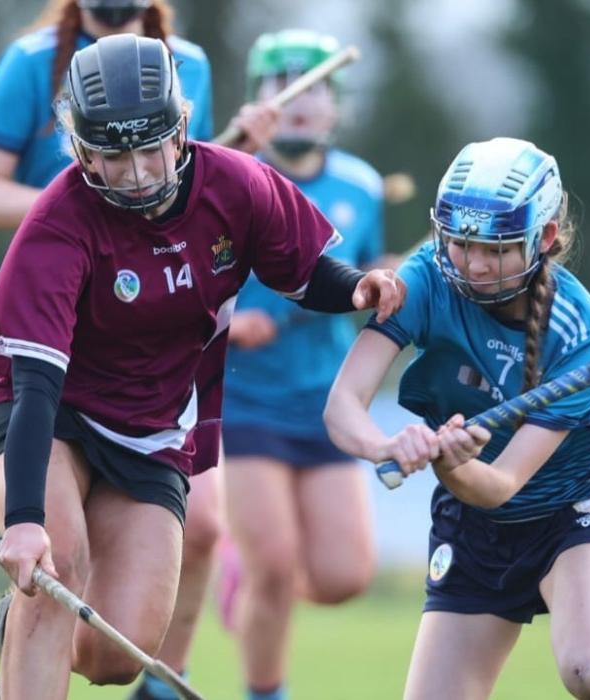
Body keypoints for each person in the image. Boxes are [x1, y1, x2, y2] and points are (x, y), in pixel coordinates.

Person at [0, 34, 404, 700]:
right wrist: (25, 520)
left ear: (180, 130)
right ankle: (29, 628)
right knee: (57, 569)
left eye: (151, 149)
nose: (138, 173)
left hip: (150, 431)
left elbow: (302, 272)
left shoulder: (238, 184)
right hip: (47, 415)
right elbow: (35, 386)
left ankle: (17, 627)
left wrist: (356, 288)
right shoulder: (56, 225)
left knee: (117, 657)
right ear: (82, 153)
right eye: (114, 156)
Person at [0, 6, 279, 696]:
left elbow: (189, 193)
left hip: (156, 359)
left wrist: (224, 154)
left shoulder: (188, 61)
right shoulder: (32, 61)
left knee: (197, 535)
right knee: (58, 554)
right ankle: (39, 638)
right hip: (58, 334)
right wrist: (89, 215)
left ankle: (154, 674)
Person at [323, 137, 590, 700]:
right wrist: (386, 446)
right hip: (475, 527)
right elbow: (343, 405)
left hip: (577, 509)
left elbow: (502, 483)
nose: (476, 265)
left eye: (499, 248)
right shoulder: (427, 279)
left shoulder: (582, 333)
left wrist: (452, 465)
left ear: (545, 237)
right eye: (461, 243)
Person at [219, 30, 383, 700]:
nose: (298, 100)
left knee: (344, 578)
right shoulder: (228, 175)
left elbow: (360, 278)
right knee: (277, 564)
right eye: (279, 84)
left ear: (336, 105)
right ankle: (266, 688)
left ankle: (242, 577)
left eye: (315, 86)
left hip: (324, 396)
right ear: (255, 99)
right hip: (245, 397)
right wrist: (229, 325)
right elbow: (183, 269)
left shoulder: (362, 187)